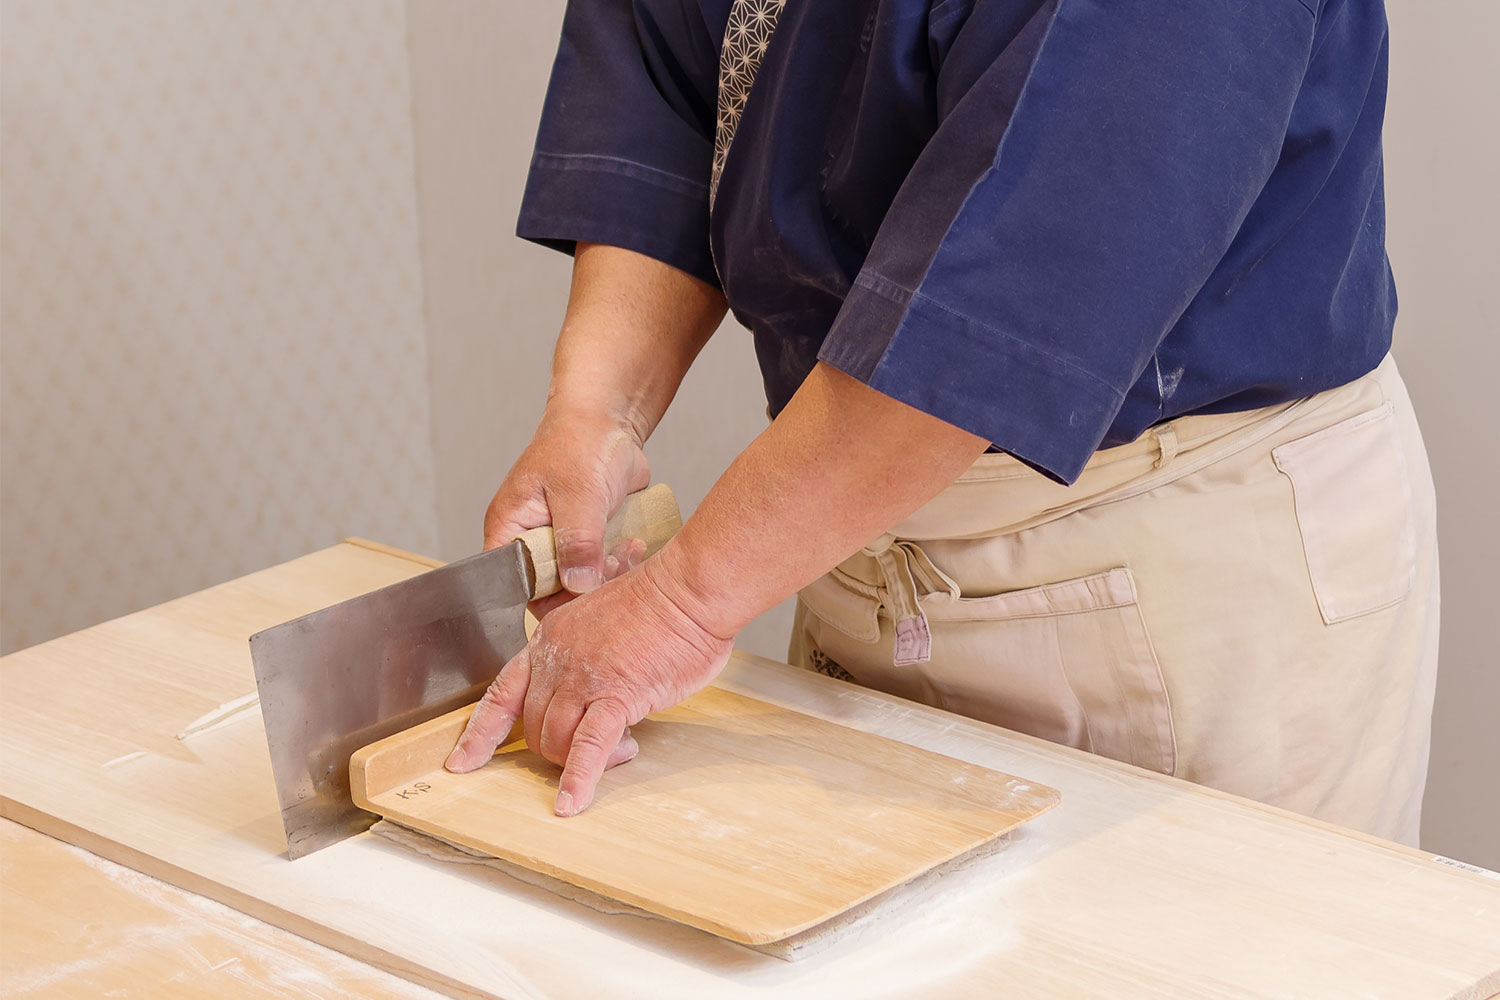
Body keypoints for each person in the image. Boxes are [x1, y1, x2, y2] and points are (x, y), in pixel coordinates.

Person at [444, 0, 1439, 846]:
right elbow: (667, 76)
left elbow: (1023, 287)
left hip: (1171, 564)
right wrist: (597, 406)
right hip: (841, 527)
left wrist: (680, 607)